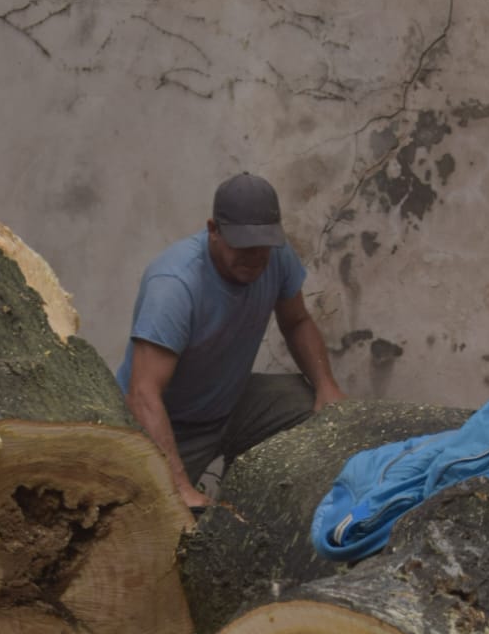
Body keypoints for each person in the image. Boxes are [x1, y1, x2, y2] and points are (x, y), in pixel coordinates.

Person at [115, 172, 344, 510]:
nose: (254, 258)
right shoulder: (174, 285)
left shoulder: (277, 257)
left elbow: (296, 321)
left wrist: (326, 385)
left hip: (231, 402)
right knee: (156, 513)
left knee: (315, 408)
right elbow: (142, 393)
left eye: (261, 247)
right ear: (214, 230)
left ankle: (257, 500)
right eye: (242, 246)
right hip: (172, 424)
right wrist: (179, 485)